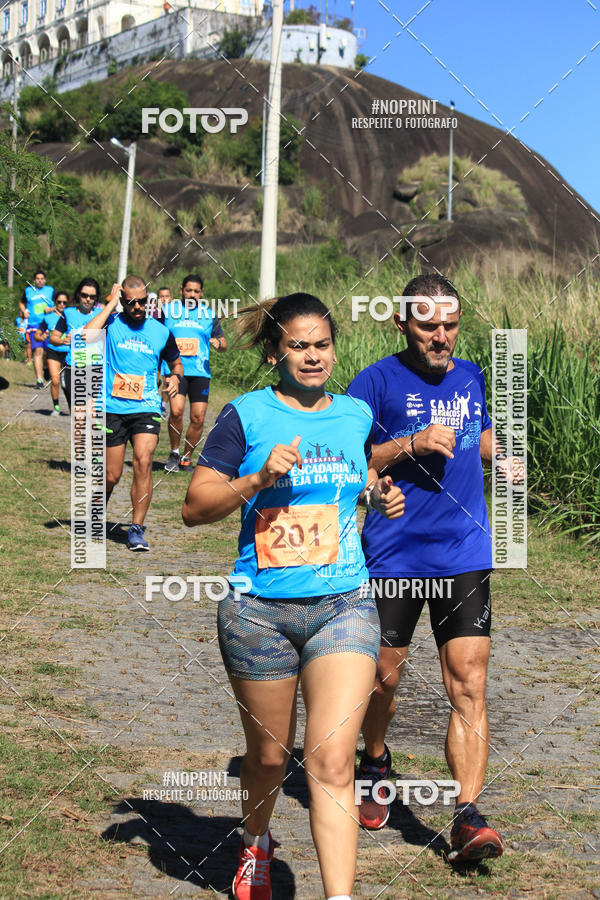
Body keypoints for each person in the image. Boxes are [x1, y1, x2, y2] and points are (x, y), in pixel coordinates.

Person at [182, 293, 405, 900]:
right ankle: (255, 839)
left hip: (343, 605)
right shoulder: (246, 416)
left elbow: (361, 477)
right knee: (271, 759)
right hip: (260, 613)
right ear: (275, 352)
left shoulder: (356, 414)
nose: (312, 357)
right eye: (298, 346)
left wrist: (380, 496)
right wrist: (256, 479)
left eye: (322, 345)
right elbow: (194, 509)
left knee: (333, 762)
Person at [347, 273, 504, 863]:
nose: (442, 336)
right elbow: (350, 454)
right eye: (429, 325)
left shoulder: (471, 375)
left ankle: (467, 815)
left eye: (451, 325)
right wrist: (409, 443)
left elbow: (476, 435)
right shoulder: (376, 380)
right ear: (403, 323)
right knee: (383, 676)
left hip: (464, 548)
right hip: (395, 551)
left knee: (468, 679)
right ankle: (376, 756)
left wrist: (502, 454)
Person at [84, 275, 183, 551]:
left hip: (146, 408)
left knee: (143, 461)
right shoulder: (112, 323)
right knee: (111, 475)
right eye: (131, 302)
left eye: (142, 301)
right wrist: (111, 305)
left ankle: (136, 528)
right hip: (113, 408)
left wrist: (174, 378)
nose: (138, 307)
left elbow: (176, 364)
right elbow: (85, 337)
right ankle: (95, 511)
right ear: (123, 301)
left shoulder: (161, 331)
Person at [163, 274, 227, 472]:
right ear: (181, 290)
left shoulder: (209, 315)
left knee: (198, 418)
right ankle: (174, 452)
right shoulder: (168, 311)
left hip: (200, 373)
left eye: (196, 291)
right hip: (175, 371)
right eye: (188, 290)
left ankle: (186, 458)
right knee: (176, 411)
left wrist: (219, 344)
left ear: (202, 293)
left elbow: (223, 343)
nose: (192, 294)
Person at [49, 279, 102, 412]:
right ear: (78, 294)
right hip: (73, 368)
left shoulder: (101, 314)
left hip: (97, 367)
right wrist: (63, 341)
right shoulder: (68, 313)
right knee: (79, 417)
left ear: (96, 298)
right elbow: (53, 338)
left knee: (93, 414)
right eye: (84, 295)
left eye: (92, 296)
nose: (88, 299)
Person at [35, 291, 69, 416]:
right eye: (59, 302)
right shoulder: (48, 318)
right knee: (55, 381)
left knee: (67, 384)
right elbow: (37, 335)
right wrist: (41, 337)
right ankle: (56, 407)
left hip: (69, 353)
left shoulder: (70, 316)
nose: (61, 304)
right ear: (55, 302)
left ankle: (73, 407)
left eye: (64, 302)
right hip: (53, 351)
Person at [19, 270, 54, 388]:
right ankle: (39, 380)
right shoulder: (28, 291)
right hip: (33, 325)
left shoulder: (50, 291)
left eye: (42, 278)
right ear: (34, 280)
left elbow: (60, 304)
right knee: (37, 351)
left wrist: (51, 309)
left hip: (48, 325)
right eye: (37, 278)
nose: (39, 280)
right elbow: (21, 303)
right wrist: (24, 311)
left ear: (45, 280)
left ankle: (46, 368)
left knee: (47, 353)